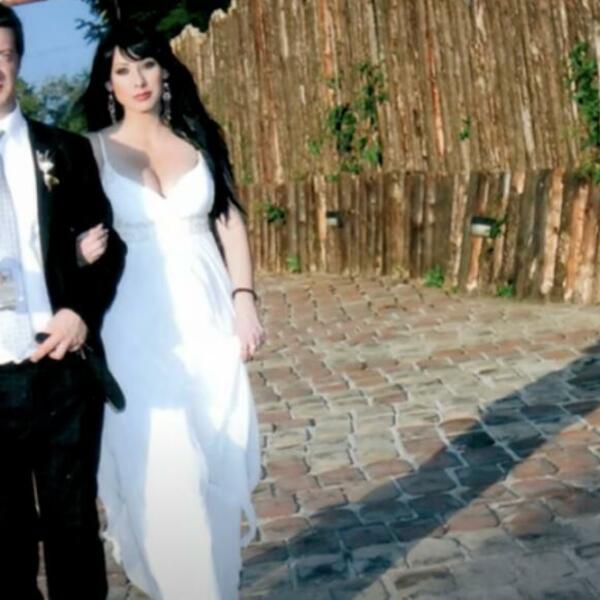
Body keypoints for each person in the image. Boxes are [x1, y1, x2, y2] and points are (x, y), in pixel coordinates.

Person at [77, 24, 263, 600]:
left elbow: (229, 221)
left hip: (207, 320)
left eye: (147, 65)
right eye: (123, 70)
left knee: (214, 465)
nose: (138, 80)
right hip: (132, 328)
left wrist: (244, 299)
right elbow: (62, 232)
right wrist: (78, 253)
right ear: (108, 84)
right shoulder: (91, 151)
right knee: (166, 467)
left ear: (165, 72)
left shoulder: (198, 138)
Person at [0, 6, 126, 600]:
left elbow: (109, 246)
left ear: (18, 63)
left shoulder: (65, 152)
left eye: (3, 56)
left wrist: (80, 313)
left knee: (72, 528)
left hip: (61, 372)